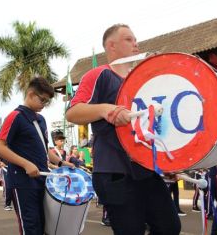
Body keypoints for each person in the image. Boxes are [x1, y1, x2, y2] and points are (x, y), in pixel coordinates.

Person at [66, 24, 181, 235]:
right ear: (111, 45)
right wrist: (105, 109)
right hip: (114, 170)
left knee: (169, 226)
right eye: (129, 39)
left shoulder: (141, 83)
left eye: (135, 39)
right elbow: (72, 113)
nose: (136, 43)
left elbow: (151, 129)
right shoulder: (99, 74)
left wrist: (163, 162)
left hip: (146, 169)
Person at [0, 77, 74, 235]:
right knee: (30, 227)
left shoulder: (41, 119)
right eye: (42, 99)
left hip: (42, 180)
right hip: (22, 181)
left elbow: (45, 150)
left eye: (47, 101)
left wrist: (61, 163)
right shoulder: (15, 116)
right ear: (30, 94)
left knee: (43, 226)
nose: (44, 104)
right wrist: (26, 164)